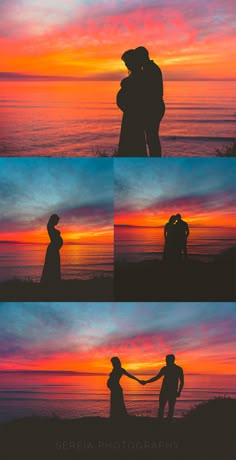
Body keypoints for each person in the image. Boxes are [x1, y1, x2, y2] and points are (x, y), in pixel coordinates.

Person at [135, 46, 165, 157]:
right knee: (151, 137)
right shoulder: (149, 68)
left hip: (154, 107)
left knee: (152, 138)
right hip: (155, 106)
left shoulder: (150, 70)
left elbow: (147, 92)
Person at [117, 49, 147, 156]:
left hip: (134, 114)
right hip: (129, 113)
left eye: (127, 63)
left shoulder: (140, 75)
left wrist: (124, 83)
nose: (126, 65)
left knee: (133, 141)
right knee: (128, 141)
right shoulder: (134, 75)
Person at [141, 354, 184, 421]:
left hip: (167, 391)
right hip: (168, 391)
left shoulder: (173, 369)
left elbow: (182, 382)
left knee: (166, 407)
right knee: (166, 407)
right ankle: (163, 421)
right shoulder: (174, 369)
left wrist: (179, 391)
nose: (165, 362)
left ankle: (163, 421)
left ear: (170, 360)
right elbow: (156, 378)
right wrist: (146, 381)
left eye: (166, 360)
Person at [40, 214, 63, 285]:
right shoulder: (50, 227)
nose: (57, 222)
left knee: (54, 264)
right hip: (52, 249)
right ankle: (50, 281)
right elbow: (49, 226)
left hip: (55, 249)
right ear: (53, 220)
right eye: (57, 220)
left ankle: (54, 280)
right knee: (51, 264)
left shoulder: (52, 227)